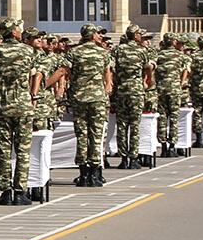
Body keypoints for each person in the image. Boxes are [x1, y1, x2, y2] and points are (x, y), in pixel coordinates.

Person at [0, 19, 40, 205]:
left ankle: (6, 191)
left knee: (4, 150)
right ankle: (20, 190)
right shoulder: (28, 50)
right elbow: (35, 73)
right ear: (14, 32)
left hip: (0, 106)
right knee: (23, 150)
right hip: (22, 105)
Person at [64, 26, 114, 185]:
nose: (100, 36)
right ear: (92, 35)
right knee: (97, 135)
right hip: (98, 99)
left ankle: (84, 173)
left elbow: (66, 72)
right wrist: (106, 88)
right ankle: (96, 172)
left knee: (82, 134)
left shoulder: (74, 52)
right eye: (98, 33)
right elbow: (108, 74)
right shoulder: (103, 53)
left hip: (79, 98)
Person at [111, 26, 155, 164]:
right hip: (136, 90)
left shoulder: (118, 50)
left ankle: (124, 157)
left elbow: (111, 68)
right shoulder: (142, 51)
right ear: (135, 35)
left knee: (122, 125)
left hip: (121, 90)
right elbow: (148, 68)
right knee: (135, 125)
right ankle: (134, 157)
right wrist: (147, 81)